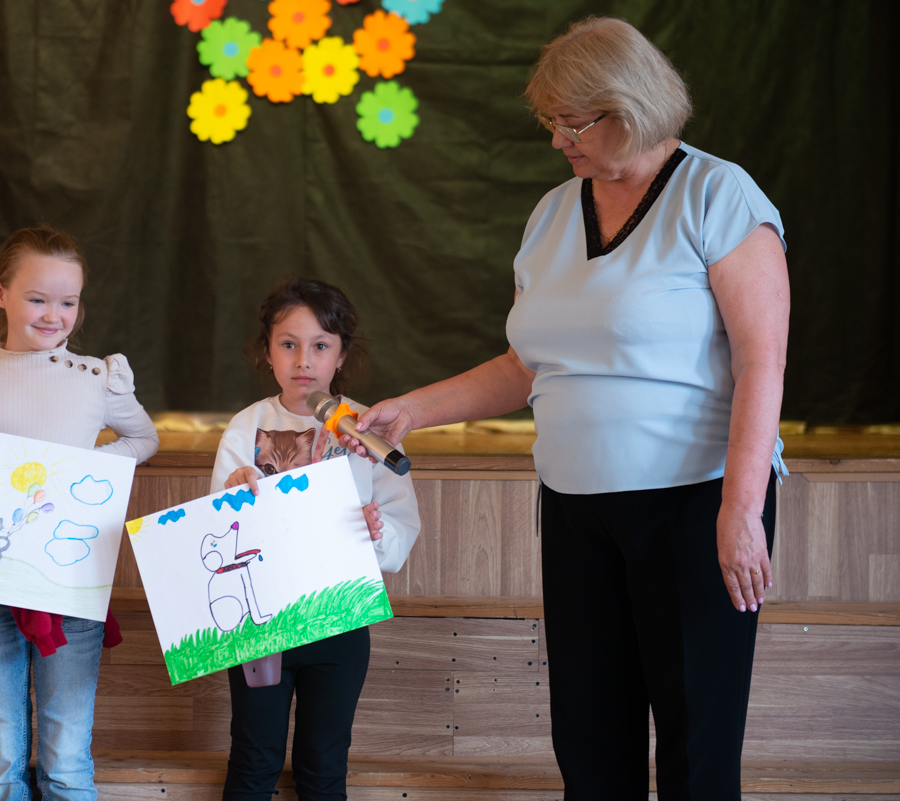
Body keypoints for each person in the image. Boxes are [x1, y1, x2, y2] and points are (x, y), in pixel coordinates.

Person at [346, 17, 790, 800]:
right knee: (588, 736)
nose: (558, 140)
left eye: (574, 123)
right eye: (550, 121)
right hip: (577, 510)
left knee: (696, 742)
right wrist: (413, 408)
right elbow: (528, 363)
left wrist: (741, 507)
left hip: (695, 504)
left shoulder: (718, 196)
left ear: (632, 107)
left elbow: (763, 361)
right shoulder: (552, 214)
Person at [0, 225, 159, 800]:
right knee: (0, 763)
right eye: (37, 299)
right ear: (0, 293)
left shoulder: (98, 378)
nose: (54, 315)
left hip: (68, 581)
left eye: (68, 302)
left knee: (66, 762)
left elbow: (143, 439)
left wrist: (81, 469)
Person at [212, 277, 420, 801]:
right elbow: (215, 530)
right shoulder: (246, 426)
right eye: (289, 344)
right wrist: (233, 493)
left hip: (340, 619)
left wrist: (374, 533)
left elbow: (400, 528)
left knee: (324, 763)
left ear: (341, 354)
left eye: (321, 346)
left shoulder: (369, 429)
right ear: (267, 351)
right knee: (254, 757)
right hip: (260, 622)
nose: (304, 360)